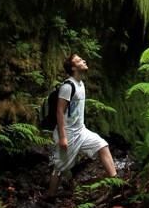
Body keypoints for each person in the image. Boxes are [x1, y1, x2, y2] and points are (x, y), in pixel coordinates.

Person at [47, 53, 117, 199]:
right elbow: (59, 112)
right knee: (59, 168)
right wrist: (63, 137)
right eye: (79, 60)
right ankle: (50, 197)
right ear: (73, 68)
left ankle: (116, 184)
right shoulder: (68, 86)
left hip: (81, 131)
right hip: (68, 133)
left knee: (103, 146)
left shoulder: (81, 84)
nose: (83, 61)